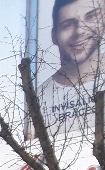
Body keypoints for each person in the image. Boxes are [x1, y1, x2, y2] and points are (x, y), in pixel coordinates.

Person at [38, 0, 105, 133]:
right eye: (67, 25)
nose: (79, 31)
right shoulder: (38, 98)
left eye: (91, 17)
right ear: (54, 36)